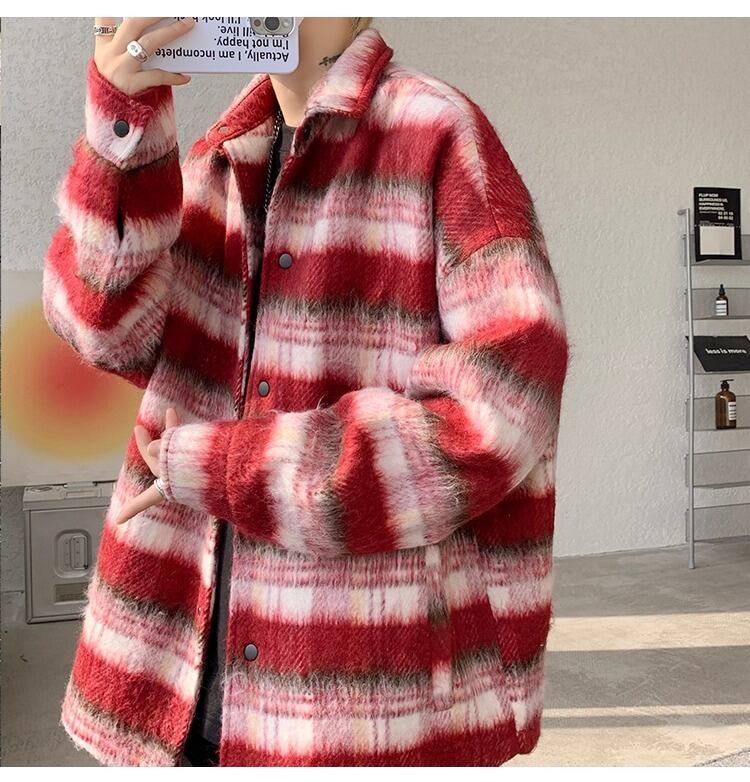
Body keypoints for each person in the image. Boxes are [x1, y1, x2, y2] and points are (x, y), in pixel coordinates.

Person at [43, 15, 570, 767]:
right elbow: (105, 333)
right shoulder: (220, 159)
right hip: (182, 671)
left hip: (348, 696)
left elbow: (506, 409)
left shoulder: (436, 133)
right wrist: (120, 135)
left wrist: (240, 468)